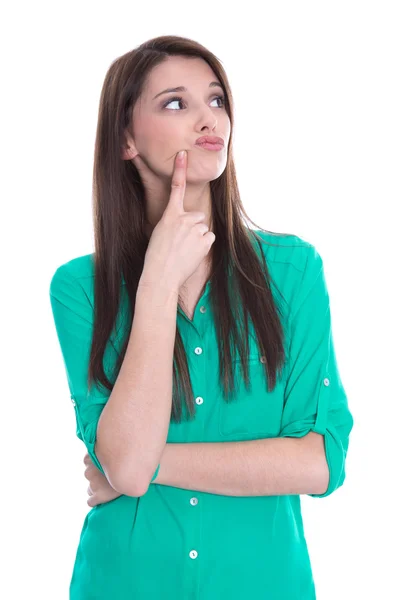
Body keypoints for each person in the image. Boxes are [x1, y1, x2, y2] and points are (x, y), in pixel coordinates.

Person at [49, 34, 354, 600]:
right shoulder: (79, 289)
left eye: (216, 100)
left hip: (266, 586)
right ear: (125, 140)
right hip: (125, 583)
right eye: (175, 103)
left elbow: (319, 463)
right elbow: (125, 465)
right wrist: (159, 281)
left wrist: (140, 465)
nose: (207, 117)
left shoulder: (292, 272)